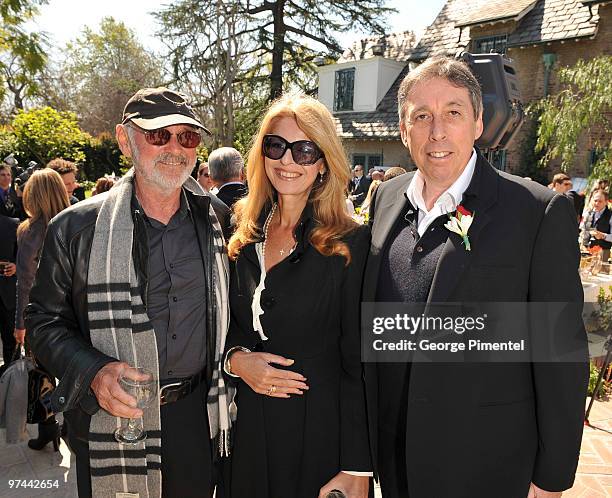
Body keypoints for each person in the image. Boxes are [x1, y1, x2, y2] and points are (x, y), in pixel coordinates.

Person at [362, 57, 588, 498]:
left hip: (487, 463)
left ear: (479, 122)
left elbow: (561, 353)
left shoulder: (536, 212)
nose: (437, 131)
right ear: (404, 129)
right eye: (421, 116)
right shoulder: (387, 199)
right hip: (395, 461)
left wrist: (552, 476)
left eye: (453, 113)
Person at [25, 87, 232, 498]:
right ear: (125, 140)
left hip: (197, 418)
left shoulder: (218, 221)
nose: (175, 148)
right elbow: (42, 323)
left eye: (187, 136)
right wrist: (93, 371)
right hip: (112, 419)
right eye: (159, 135)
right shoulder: (75, 229)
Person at [223, 92, 371, 498]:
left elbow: (360, 362)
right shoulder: (242, 234)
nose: (287, 161)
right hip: (251, 431)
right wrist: (236, 362)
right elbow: (227, 328)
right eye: (276, 145)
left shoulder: (349, 243)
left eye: (304, 150)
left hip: (319, 436)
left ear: (323, 163)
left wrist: (357, 467)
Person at [13, 169, 70, 451]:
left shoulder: (30, 231)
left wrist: (19, 323)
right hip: (75, 312)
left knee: (42, 374)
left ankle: (49, 428)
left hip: (42, 315)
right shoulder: (79, 221)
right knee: (75, 369)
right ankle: (70, 426)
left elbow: (25, 282)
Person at [0, 214, 18, 375]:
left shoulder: (13, 224)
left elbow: (25, 257)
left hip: (7, 295)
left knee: (10, 343)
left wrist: (15, 266)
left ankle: (11, 382)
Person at [583, 189, 611, 262]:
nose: (596, 203)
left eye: (600, 201)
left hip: (602, 253)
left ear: (606, 202)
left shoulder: (610, 216)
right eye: (595, 200)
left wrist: (602, 235)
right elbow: (584, 231)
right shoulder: (589, 213)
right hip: (587, 250)